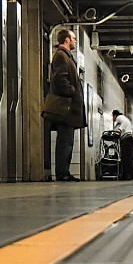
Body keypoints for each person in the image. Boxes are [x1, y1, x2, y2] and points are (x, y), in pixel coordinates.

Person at [45, 31, 84, 180]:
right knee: (65, 142)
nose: (75, 41)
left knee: (67, 141)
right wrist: (72, 91)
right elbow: (60, 80)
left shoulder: (66, 56)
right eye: (74, 38)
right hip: (65, 108)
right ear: (67, 40)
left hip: (68, 109)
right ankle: (62, 173)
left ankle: (64, 172)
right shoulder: (61, 56)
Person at [112, 110, 133, 180]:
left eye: (113, 116)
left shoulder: (119, 117)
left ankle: (127, 175)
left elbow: (125, 122)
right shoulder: (123, 118)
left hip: (126, 139)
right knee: (129, 158)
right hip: (128, 139)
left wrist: (119, 130)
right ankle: (131, 175)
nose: (113, 119)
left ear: (115, 115)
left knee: (126, 158)